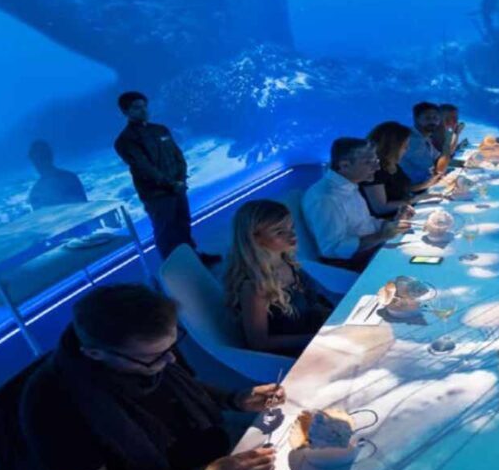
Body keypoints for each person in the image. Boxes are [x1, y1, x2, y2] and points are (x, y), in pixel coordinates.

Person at [20, 284, 283, 470]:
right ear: (95, 354)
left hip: (211, 455)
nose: (170, 360)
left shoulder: (150, 343)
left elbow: (187, 386)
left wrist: (234, 399)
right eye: (155, 357)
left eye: (171, 347)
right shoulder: (53, 404)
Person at [113, 91, 220, 265]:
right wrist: (171, 184)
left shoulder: (160, 129)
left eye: (145, 106)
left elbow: (178, 155)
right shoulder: (124, 141)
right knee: (165, 231)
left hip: (178, 188)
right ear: (125, 112)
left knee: (183, 224)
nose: (144, 110)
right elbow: (144, 168)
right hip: (157, 194)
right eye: (137, 108)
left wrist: (181, 179)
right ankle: (175, 269)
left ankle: (194, 261)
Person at [224, 200, 335, 356]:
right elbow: (259, 343)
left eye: (291, 227)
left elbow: (312, 303)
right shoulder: (255, 287)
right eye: (279, 232)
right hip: (299, 353)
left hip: (319, 336)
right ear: (255, 238)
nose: (292, 234)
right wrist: (315, 339)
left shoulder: (289, 263)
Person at [302, 137, 409, 271]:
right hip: (351, 264)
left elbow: (365, 223)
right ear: (345, 165)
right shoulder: (326, 198)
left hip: (371, 249)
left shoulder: (349, 185)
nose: (377, 168)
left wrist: (392, 224)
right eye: (369, 162)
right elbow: (333, 249)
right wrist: (382, 236)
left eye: (376, 161)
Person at [362, 121, 424, 218]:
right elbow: (380, 207)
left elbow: (402, 188)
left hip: (405, 212)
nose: (407, 148)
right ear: (392, 146)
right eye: (404, 145)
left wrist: (428, 184)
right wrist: (415, 199)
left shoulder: (392, 163)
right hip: (389, 221)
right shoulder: (375, 170)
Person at [399, 102, 451, 187]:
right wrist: (447, 141)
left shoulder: (424, 136)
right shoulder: (413, 140)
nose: (432, 121)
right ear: (416, 119)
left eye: (435, 118)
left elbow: (438, 158)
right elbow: (439, 169)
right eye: (427, 118)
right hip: (413, 189)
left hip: (423, 184)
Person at [26, 139, 87, 210]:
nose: (38, 163)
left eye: (41, 158)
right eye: (37, 160)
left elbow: (83, 206)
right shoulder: (70, 177)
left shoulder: (36, 192)